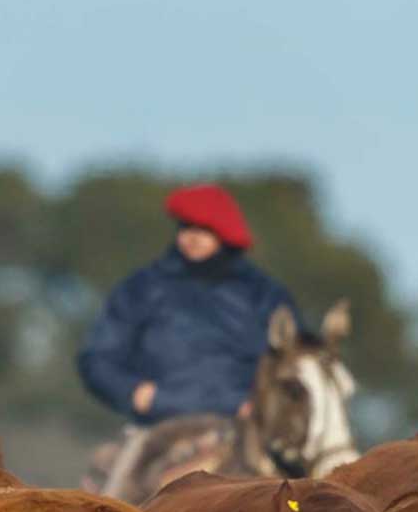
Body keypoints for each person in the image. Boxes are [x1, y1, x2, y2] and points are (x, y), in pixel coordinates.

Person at [78, 183, 309, 431]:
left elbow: (296, 363)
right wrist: (130, 391)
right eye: (186, 227)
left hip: (244, 426)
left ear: (225, 234)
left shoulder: (264, 295)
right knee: (111, 457)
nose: (193, 237)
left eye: (204, 229)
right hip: (159, 423)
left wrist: (265, 405)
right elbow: (99, 357)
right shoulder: (141, 288)